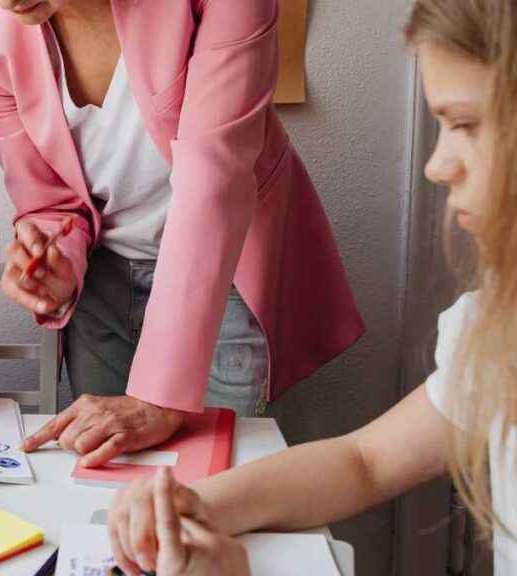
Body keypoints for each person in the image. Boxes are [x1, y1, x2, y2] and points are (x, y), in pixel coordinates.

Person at [108, 0, 517, 573]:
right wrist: (193, 504)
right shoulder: (493, 327)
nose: (438, 164)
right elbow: (364, 461)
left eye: (466, 125)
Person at [0, 0, 364, 468]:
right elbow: (47, 197)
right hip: (100, 283)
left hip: (225, 274)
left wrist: (160, 396)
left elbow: (214, 177)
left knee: (219, 484)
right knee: (103, 482)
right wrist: (55, 257)